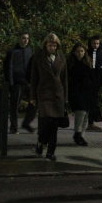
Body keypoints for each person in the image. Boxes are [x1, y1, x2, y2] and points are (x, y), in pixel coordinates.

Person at [29, 33, 67, 161]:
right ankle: (41, 141)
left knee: (54, 125)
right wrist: (33, 96)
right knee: (46, 122)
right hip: (44, 94)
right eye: (50, 45)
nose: (52, 48)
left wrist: (65, 96)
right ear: (45, 45)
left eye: (54, 45)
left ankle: (51, 152)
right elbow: (34, 77)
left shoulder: (61, 57)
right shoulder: (38, 57)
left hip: (57, 95)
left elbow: (64, 78)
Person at [4, 32, 36, 133]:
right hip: (17, 81)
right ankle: (14, 126)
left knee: (34, 101)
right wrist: (11, 82)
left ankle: (26, 122)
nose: (26, 40)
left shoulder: (29, 51)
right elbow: (9, 68)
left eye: (27, 38)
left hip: (27, 81)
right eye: (23, 38)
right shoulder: (13, 52)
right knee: (15, 105)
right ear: (19, 39)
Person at [67, 42, 94, 146]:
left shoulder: (87, 63)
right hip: (76, 92)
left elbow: (91, 77)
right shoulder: (71, 64)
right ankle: (78, 133)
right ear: (74, 52)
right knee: (80, 112)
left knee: (86, 114)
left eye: (82, 51)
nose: (80, 53)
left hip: (87, 92)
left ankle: (81, 135)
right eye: (78, 51)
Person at [86, 36, 102, 130]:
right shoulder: (86, 53)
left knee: (94, 100)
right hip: (87, 79)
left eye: (97, 43)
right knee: (89, 100)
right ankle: (88, 121)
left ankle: (91, 121)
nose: (95, 45)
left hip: (97, 80)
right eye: (94, 43)